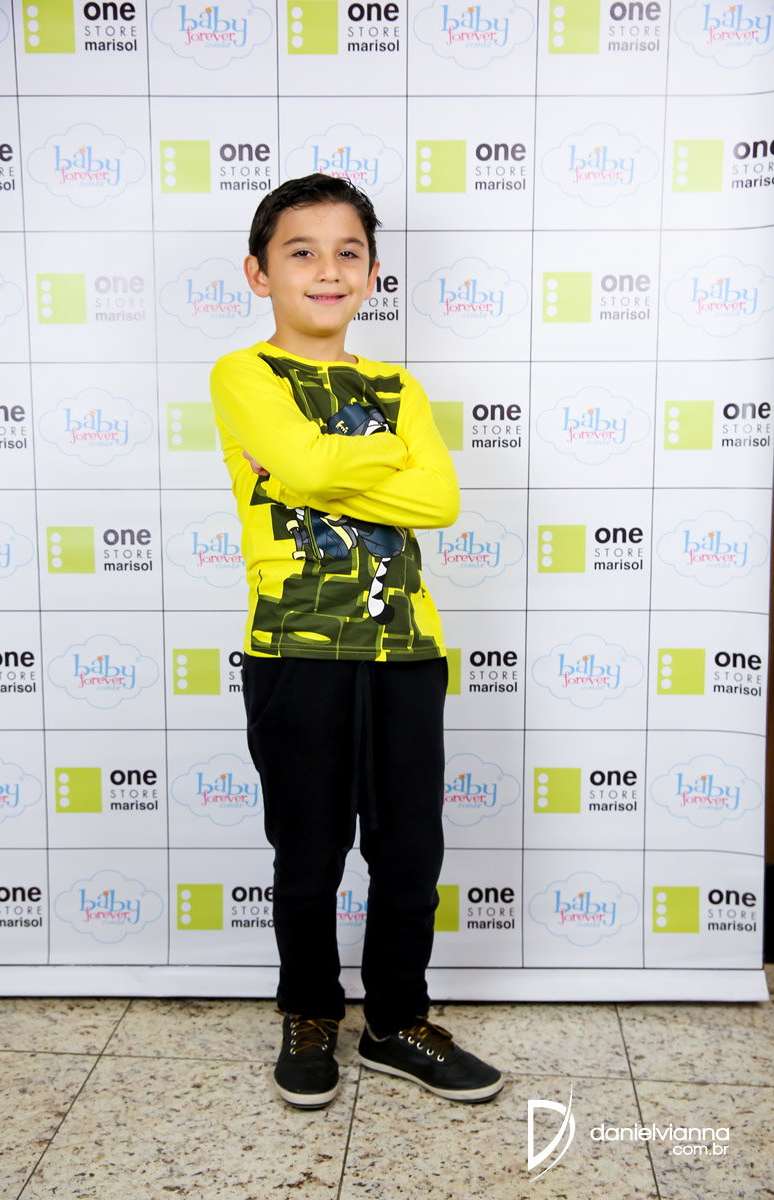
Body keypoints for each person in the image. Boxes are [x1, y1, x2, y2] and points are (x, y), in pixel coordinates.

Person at [210, 173, 503, 1109]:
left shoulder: (398, 384)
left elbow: (439, 499)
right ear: (260, 273)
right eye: (301, 252)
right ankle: (308, 1012)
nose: (327, 270)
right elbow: (302, 467)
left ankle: (396, 1022)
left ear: (373, 274)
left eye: (348, 253)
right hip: (296, 651)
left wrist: (320, 467)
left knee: (410, 851)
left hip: (407, 649)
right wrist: (375, 458)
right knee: (308, 849)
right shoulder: (243, 375)